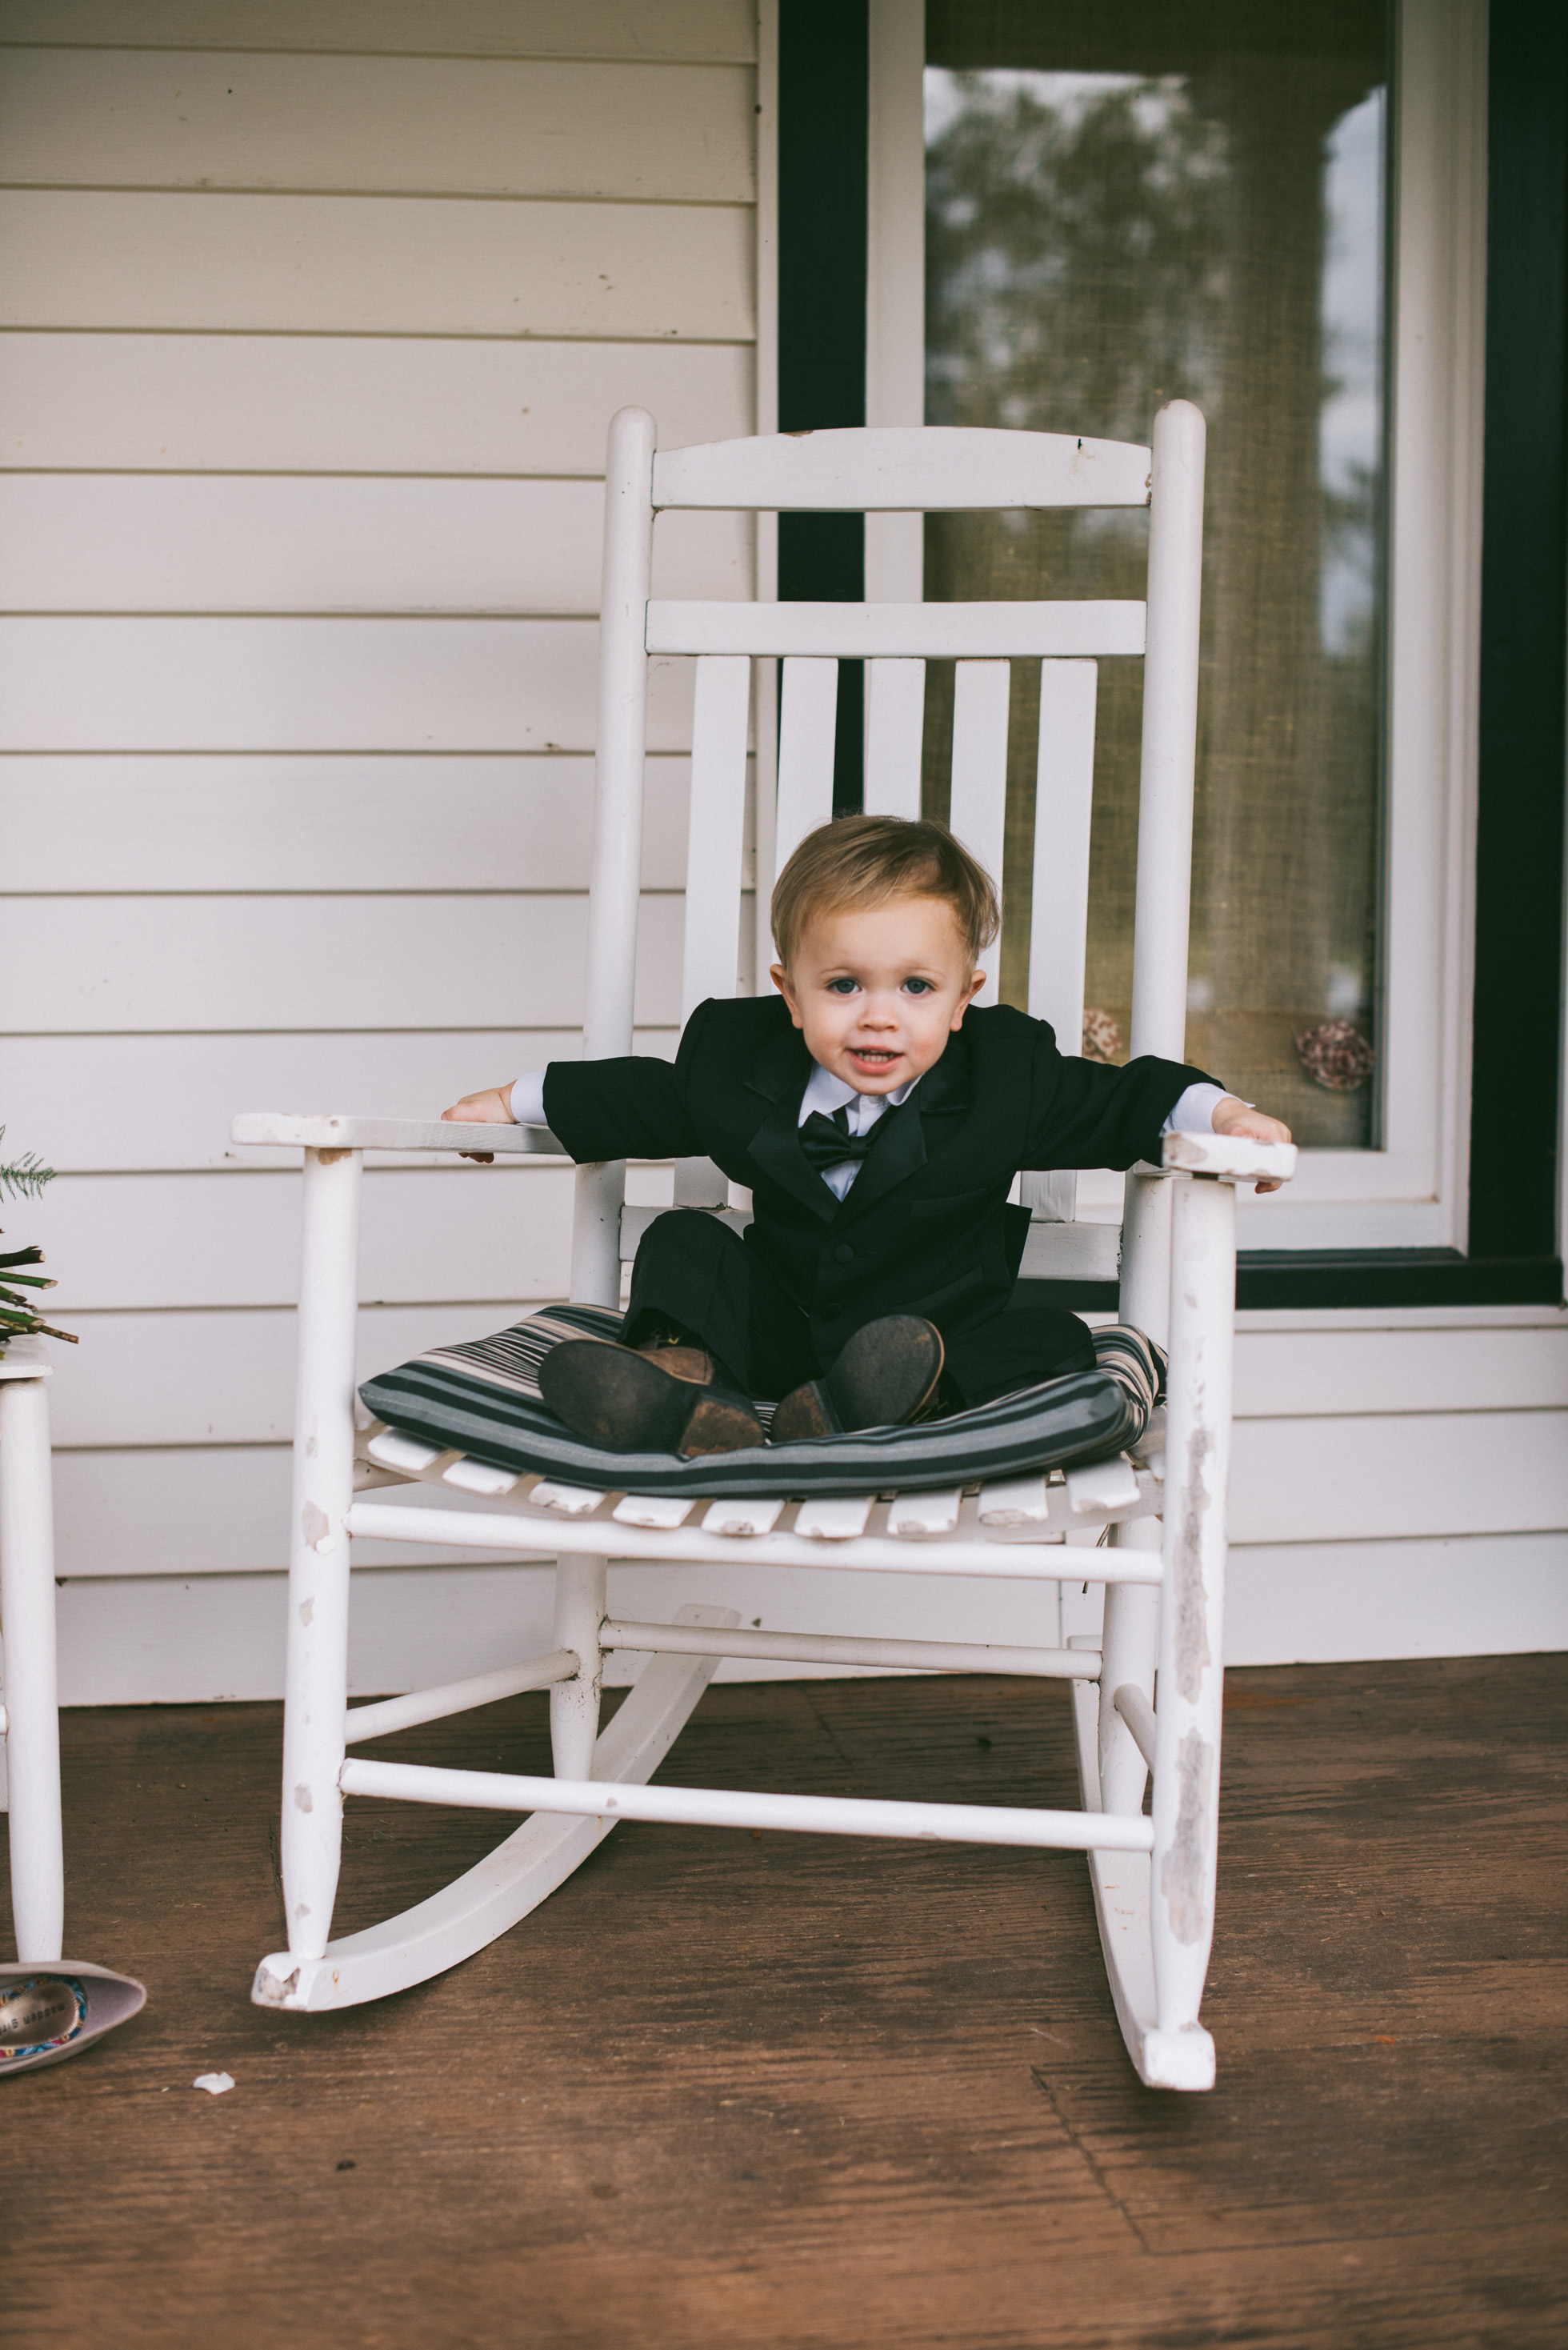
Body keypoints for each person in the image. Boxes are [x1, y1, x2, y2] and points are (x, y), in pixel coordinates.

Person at [442, 815, 1290, 1457]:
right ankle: (685, 1387)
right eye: (844, 984)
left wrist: (1223, 1117)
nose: (879, 1015)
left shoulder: (1005, 1079)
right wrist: (513, 1100)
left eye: (916, 987)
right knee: (685, 1239)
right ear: (791, 992)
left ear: (964, 999)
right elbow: (647, 1098)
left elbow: (1123, 1101)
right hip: (773, 1339)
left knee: (1059, 1338)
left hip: (929, 1340)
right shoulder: (738, 1067)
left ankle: (897, 1403)